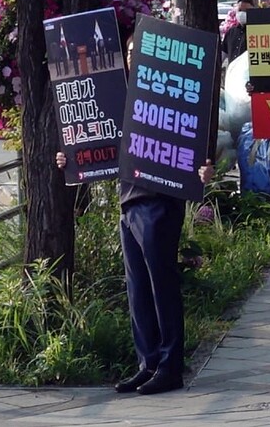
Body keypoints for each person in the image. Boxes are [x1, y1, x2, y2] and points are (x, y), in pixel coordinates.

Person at [56, 158, 215, 397]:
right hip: (129, 200)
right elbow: (106, 139)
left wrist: (206, 166)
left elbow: (200, 134)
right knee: (138, 289)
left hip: (161, 198)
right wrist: (73, 156)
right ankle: (149, 363)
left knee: (161, 286)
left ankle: (169, 367)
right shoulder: (125, 118)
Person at [221, 0, 255, 66]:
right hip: (233, 74)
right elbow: (222, 55)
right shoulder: (231, 32)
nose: (242, 13)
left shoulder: (257, 32)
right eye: (240, 10)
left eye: (246, 11)